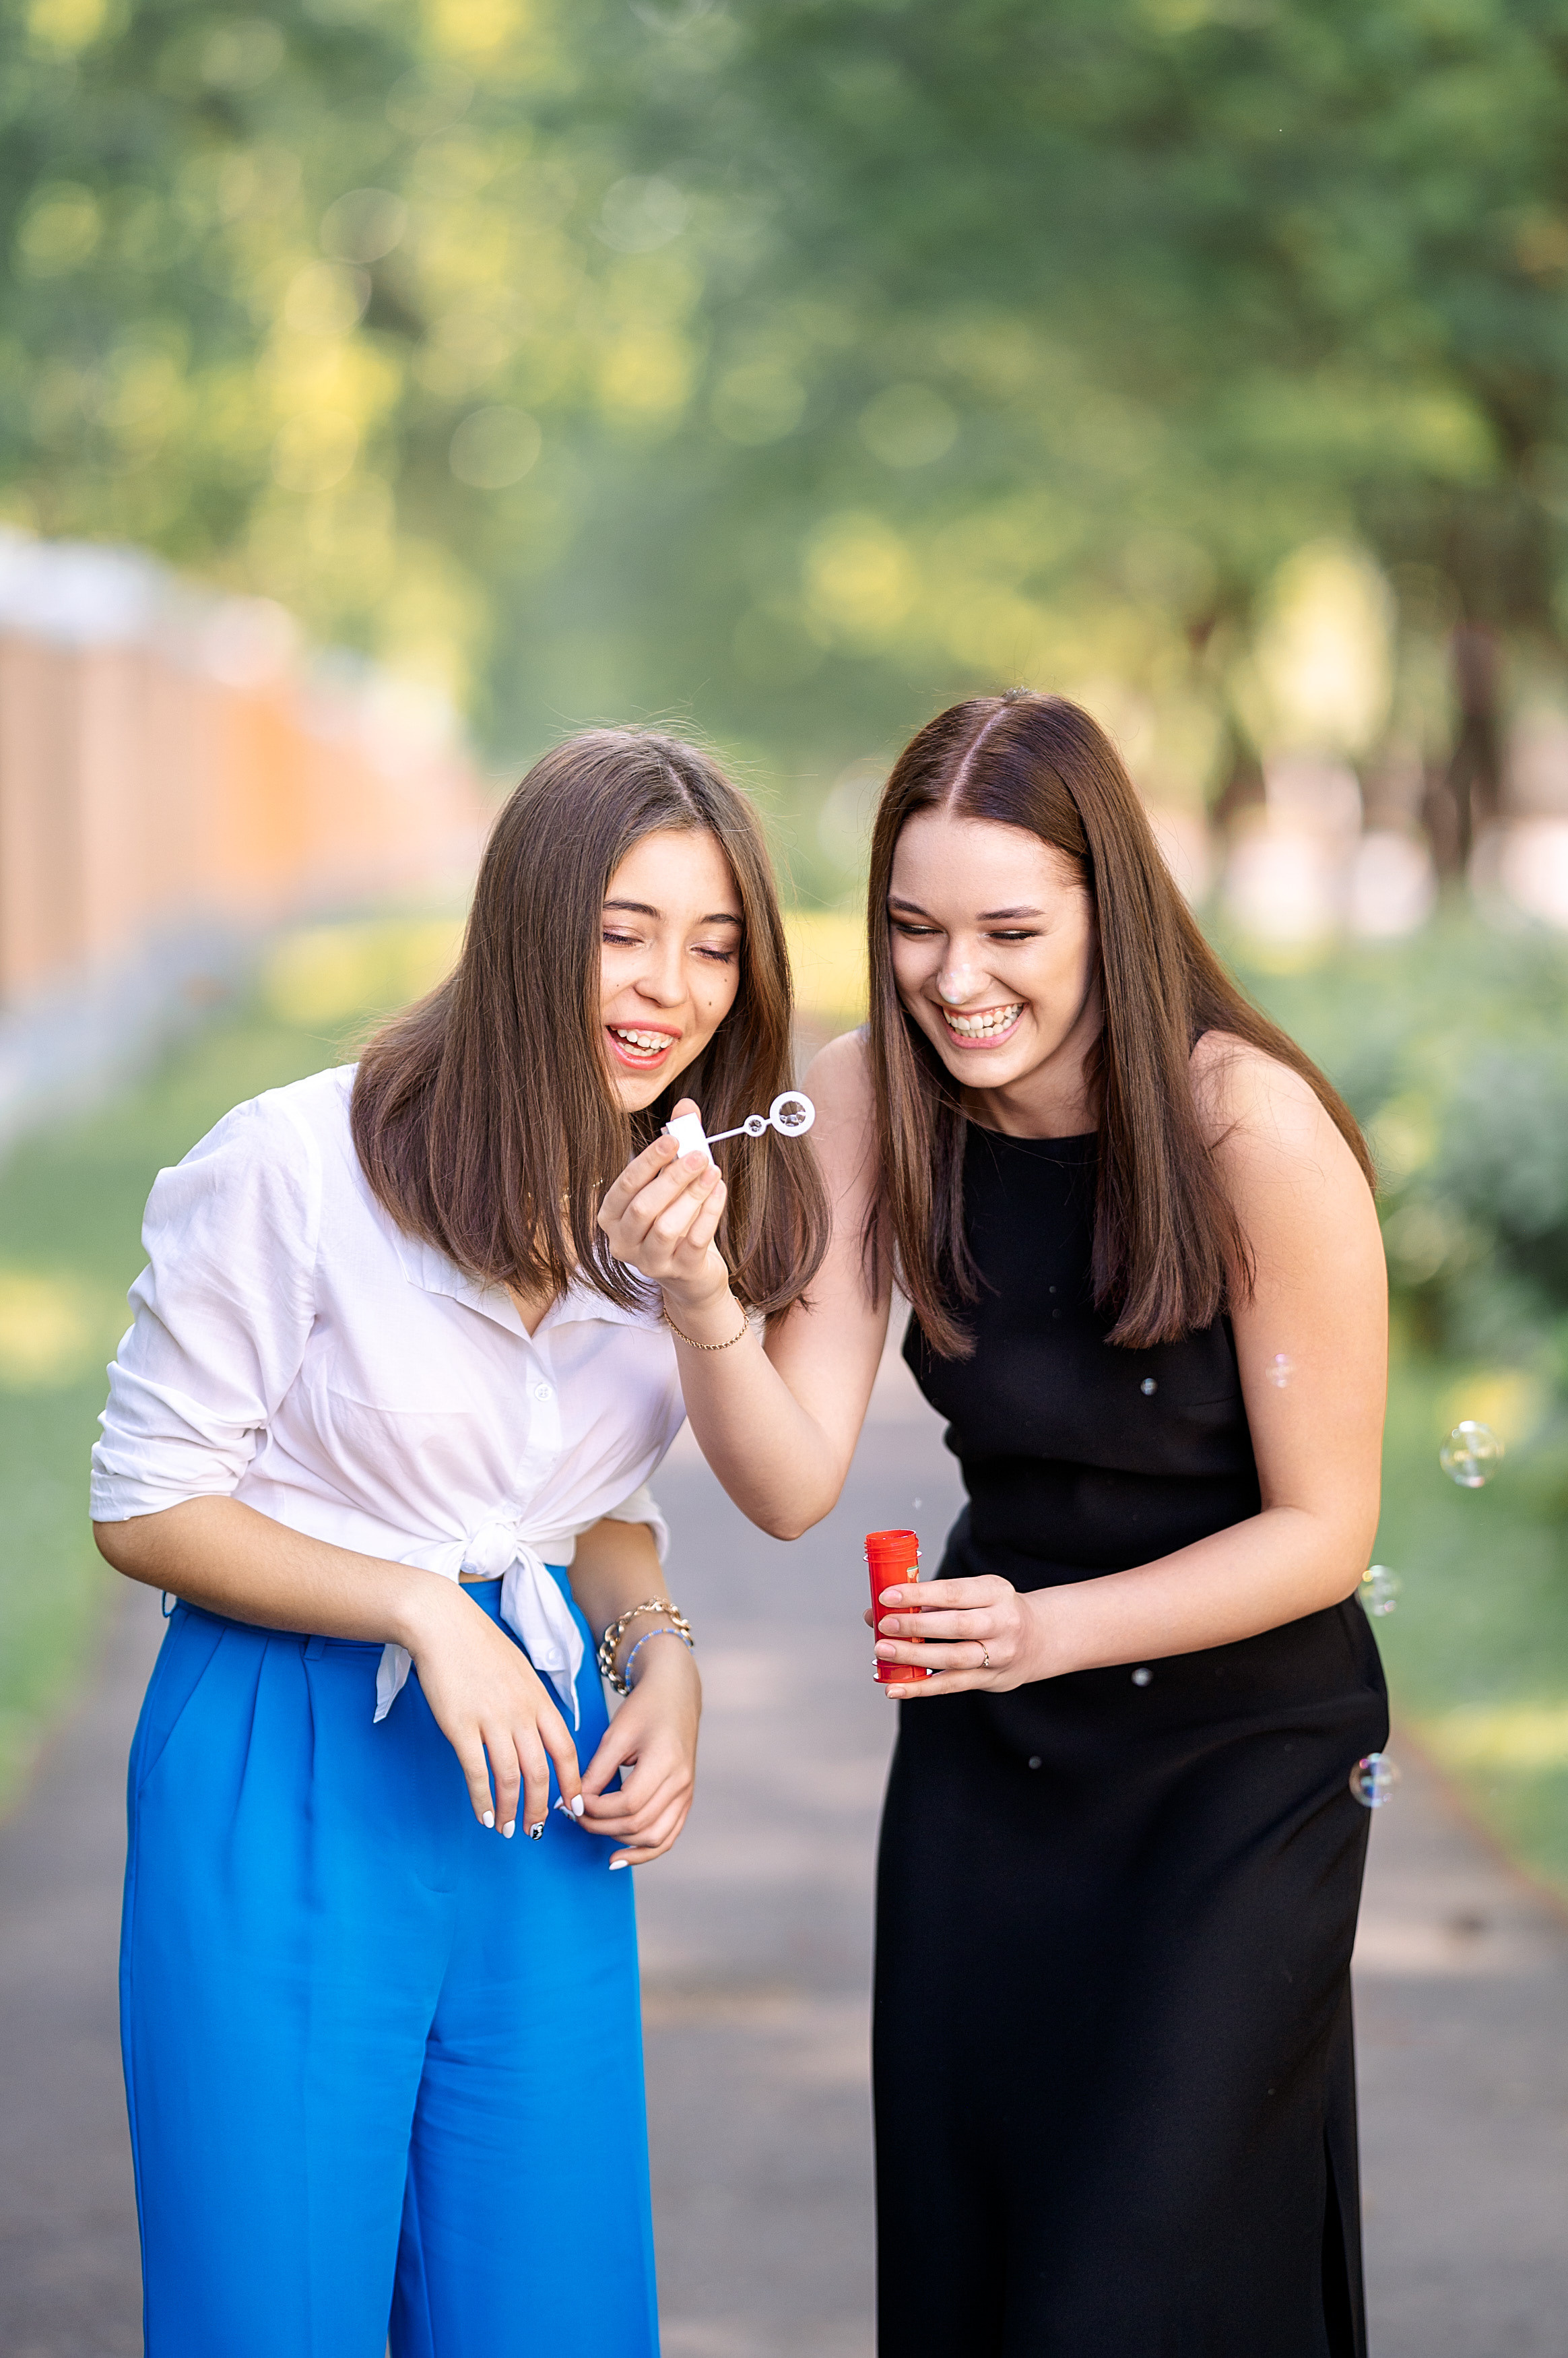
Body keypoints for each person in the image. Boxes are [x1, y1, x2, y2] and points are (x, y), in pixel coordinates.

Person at [600, 692, 1389, 2357]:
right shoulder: (869, 1095)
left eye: (1013, 929)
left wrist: (1056, 1626)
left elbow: (1324, 1530)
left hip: (1240, 1756)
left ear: (1117, 906)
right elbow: (790, 1478)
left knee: (1157, 2274)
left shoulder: (1246, 1125)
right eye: (913, 928)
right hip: (998, 1757)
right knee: (996, 2267)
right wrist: (697, 1299)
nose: (958, 981)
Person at [91, 728, 828, 2358]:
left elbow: (588, 1513)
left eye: (717, 946)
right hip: (285, 1766)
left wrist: (665, 1659)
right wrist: (421, 1606)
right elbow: (145, 1503)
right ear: (527, 927)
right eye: (625, 930)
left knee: (544, 2309)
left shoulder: (673, 1200)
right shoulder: (291, 1163)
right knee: (273, 2313)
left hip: (534, 1792)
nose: (673, 987)